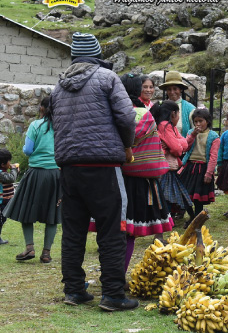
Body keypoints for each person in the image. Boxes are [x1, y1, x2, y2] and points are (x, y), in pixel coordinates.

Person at [51, 32, 138, 311]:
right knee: (111, 229)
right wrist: (126, 145)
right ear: (98, 55)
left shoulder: (59, 87)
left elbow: (57, 124)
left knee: (73, 230)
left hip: (69, 168)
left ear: (74, 57)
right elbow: (126, 116)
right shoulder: (107, 78)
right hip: (102, 165)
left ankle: (74, 290)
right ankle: (113, 294)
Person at [115, 74, 174, 273]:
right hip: (140, 181)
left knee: (113, 229)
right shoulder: (146, 115)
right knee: (128, 231)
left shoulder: (112, 113)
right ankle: (118, 275)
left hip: (114, 176)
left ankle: (111, 273)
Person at [4, 98, 61, 262]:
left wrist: (25, 148)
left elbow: (28, 150)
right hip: (55, 174)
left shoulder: (36, 126)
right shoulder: (62, 127)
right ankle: (46, 253)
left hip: (36, 173)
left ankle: (29, 248)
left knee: (26, 210)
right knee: (53, 213)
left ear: (42, 108)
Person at [154, 100, 196, 227]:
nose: (178, 117)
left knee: (173, 193)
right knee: (168, 195)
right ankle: (168, 221)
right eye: (178, 114)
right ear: (173, 114)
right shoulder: (165, 126)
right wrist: (178, 144)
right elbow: (178, 149)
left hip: (170, 166)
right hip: (167, 167)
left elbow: (182, 143)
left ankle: (183, 218)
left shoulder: (168, 126)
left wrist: (178, 144)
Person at [180, 108, 220, 218]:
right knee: (184, 194)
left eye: (200, 121)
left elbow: (213, 157)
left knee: (198, 198)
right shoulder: (190, 133)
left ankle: (196, 219)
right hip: (190, 167)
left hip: (203, 169)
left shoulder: (213, 136)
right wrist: (192, 135)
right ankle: (192, 216)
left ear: (207, 121)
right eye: (195, 122)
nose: (198, 124)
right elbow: (185, 147)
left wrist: (209, 173)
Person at [159, 71, 195, 137]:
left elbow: (195, 131)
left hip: (185, 146)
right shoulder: (160, 107)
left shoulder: (190, 109)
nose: (172, 92)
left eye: (175, 89)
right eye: (169, 89)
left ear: (180, 89)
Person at [0, 148, 18, 245]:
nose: (10, 163)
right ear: (3, 164)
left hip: (5, 201)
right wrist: (14, 169)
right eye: (9, 161)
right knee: (1, 219)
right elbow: (11, 178)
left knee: (3, 219)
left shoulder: (4, 171)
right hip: (2, 201)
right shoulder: (1, 173)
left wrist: (15, 171)